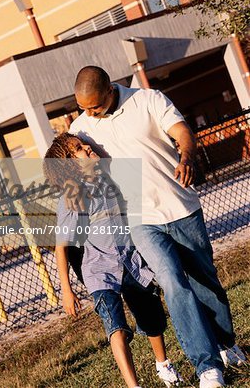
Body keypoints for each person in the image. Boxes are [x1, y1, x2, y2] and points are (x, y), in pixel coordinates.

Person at [68, 66, 246, 388]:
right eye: (84, 107)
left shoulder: (147, 100)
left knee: (206, 282)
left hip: (180, 206)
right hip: (140, 218)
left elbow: (181, 131)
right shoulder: (82, 128)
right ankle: (207, 367)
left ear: (110, 90)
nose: (89, 113)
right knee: (172, 282)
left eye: (94, 106)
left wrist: (187, 156)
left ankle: (226, 343)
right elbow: (67, 160)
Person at [43, 133, 183, 388]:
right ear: (70, 164)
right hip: (100, 271)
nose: (87, 148)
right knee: (115, 327)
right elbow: (61, 247)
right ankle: (133, 385)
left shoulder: (110, 178)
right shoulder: (73, 197)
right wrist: (66, 289)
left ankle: (163, 365)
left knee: (151, 318)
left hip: (131, 262)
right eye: (79, 149)